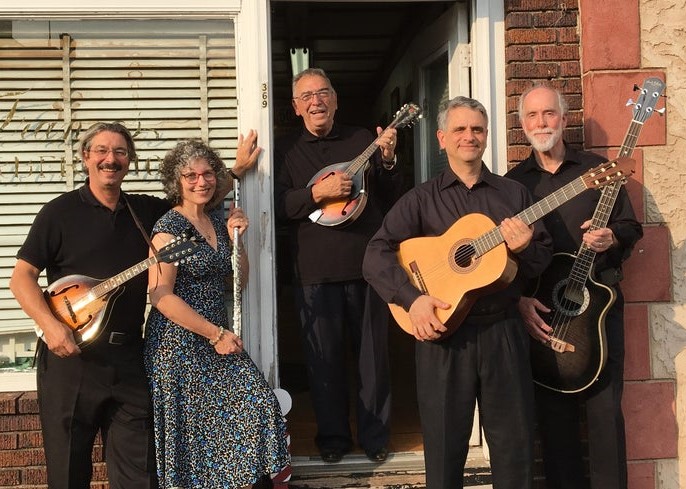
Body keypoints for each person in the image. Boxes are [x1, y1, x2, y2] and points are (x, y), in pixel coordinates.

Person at [8, 122, 258, 489]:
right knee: (68, 474)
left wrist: (234, 172)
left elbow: (196, 193)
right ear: (85, 157)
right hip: (71, 360)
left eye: (120, 152)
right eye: (101, 151)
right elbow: (22, 278)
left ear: (130, 161)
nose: (110, 159)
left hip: (128, 358)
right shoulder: (59, 213)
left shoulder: (145, 211)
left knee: (140, 475)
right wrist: (50, 326)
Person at [363, 96, 553, 489]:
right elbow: (375, 255)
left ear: (487, 136)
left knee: (514, 447)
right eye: (460, 129)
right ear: (442, 138)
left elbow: (539, 262)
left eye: (478, 129)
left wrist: (524, 248)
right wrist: (412, 299)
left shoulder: (514, 195)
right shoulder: (420, 199)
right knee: (444, 450)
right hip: (443, 337)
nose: (470, 136)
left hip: (503, 332)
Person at [505, 84, 643, 489]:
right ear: (522, 124)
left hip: (597, 308)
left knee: (604, 415)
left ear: (564, 120)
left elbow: (631, 227)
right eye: (532, 115)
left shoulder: (599, 170)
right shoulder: (513, 185)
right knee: (554, 420)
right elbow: (505, 257)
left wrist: (611, 238)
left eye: (549, 113)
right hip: (545, 313)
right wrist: (519, 300)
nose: (541, 122)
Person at [144, 139, 290, 489]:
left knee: (257, 405)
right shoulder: (169, 229)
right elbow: (160, 295)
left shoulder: (212, 219)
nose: (201, 181)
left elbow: (238, 280)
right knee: (196, 440)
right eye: (191, 175)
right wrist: (215, 334)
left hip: (215, 338)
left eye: (208, 173)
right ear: (176, 181)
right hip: (179, 346)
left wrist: (237, 240)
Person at [274, 67, 402, 463]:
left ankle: (375, 438)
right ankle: (332, 439)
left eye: (323, 93)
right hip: (314, 272)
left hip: (367, 267)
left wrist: (389, 159)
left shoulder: (362, 139)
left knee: (373, 360)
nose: (316, 101)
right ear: (296, 107)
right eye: (307, 96)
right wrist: (316, 193)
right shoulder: (285, 150)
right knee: (324, 363)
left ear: (335, 99)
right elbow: (276, 206)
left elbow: (392, 197)